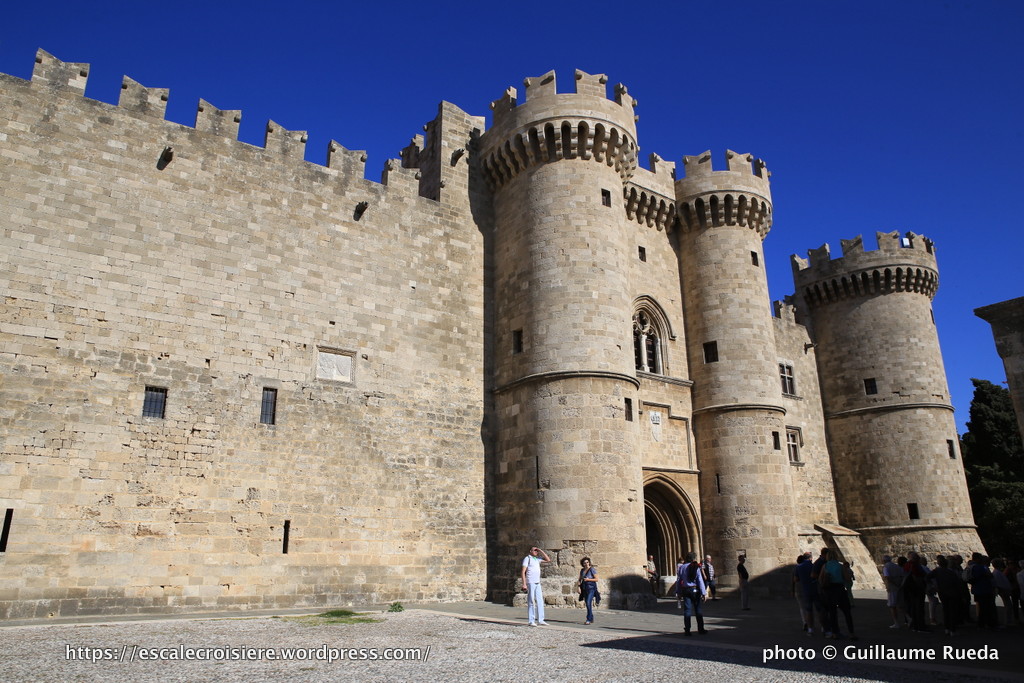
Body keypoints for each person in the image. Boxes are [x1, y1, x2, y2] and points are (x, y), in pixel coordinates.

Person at [820, 549, 857, 640]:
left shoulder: (825, 566)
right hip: (840, 589)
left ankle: (835, 633)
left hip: (829, 590)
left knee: (832, 613)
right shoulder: (840, 566)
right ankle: (851, 633)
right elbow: (847, 578)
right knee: (847, 612)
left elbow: (820, 579)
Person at [678, 552, 707, 636]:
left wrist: (678, 591)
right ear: (693, 559)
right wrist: (703, 593)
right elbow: (700, 580)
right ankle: (701, 629)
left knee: (687, 610)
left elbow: (679, 580)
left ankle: (687, 630)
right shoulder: (695, 566)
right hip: (694, 589)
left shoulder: (682, 567)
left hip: (685, 589)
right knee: (698, 609)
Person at [520, 546, 551, 626]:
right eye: (534, 550)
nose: (536, 552)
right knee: (531, 601)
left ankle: (541, 619)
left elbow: (548, 560)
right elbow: (523, 572)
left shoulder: (537, 559)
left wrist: (541, 551)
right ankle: (531, 620)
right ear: (530, 551)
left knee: (540, 601)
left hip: (537, 582)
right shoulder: (527, 558)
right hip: (530, 582)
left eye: (537, 551)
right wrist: (524, 583)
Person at [882, 555, 904, 629]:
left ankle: (896, 623)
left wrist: (891, 585)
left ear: (884, 561)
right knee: (900, 604)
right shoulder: (896, 566)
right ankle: (909, 618)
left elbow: (887, 577)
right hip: (899, 587)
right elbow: (902, 575)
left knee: (892, 606)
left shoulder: (886, 567)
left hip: (892, 588)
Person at [579, 557, 599, 625]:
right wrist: (578, 587)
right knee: (587, 604)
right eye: (584, 563)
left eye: (587, 562)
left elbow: (596, 579)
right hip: (584, 588)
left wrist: (588, 580)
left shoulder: (592, 570)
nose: (586, 564)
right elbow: (580, 579)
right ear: (583, 564)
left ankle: (588, 619)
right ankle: (591, 617)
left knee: (588, 602)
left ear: (589, 562)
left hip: (591, 588)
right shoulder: (582, 570)